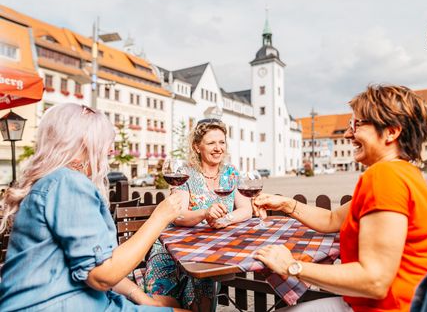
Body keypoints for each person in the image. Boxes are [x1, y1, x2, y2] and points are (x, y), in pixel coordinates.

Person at [252, 85, 427, 312]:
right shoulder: (403, 172)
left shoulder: (385, 176)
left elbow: (374, 281)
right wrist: (287, 204)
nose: (349, 134)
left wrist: (291, 266)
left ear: (391, 132)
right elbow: (331, 219)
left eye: (357, 125)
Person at [0, 103, 188, 312]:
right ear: (84, 142)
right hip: (59, 305)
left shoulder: (53, 181)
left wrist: (142, 297)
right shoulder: (68, 182)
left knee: (171, 304)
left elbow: (90, 263)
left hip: (75, 301)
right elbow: (102, 275)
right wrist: (160, 217)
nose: (110, 150)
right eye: (105, 141)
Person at [144, 118, 252, 311]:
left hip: (208, 250)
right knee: (162, 304)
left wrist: (226, 219)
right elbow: (178, 215)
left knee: (202, 296)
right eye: (211, 143)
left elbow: (246, 209)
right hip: (172, 247)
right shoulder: (185, 173)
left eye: (222, 142)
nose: (218, 148)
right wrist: (204, 213)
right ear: (197, 146)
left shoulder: (231, 173)